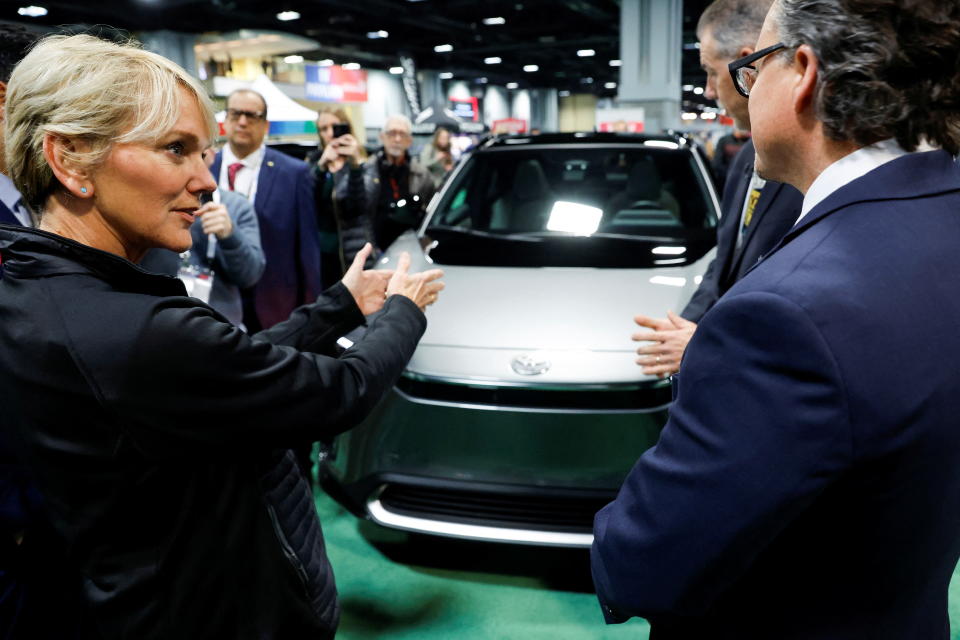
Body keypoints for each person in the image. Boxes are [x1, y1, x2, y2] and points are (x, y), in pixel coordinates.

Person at [1, 33, 444, 640]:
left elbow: (225, 364)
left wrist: (339, 305)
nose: (205, 180)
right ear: (71, 159)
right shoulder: (131, 330)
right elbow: (341, 389)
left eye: (201, 153)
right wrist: (402, 309)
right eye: (175, 150)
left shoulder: (40, 288)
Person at [592, 1, 960, 638]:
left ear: (805, 74)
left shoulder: (784, 318)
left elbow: (643, 562)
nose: (740, 87)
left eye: (754, 66)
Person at [631, 0, 802, 379]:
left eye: (710, 73)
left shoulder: (804, 169)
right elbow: (722, 268)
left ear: (748, 64)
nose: (708, 91)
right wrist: (681, 331)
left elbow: (797, 302)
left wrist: (704, 342)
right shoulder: (744, 160)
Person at [210, 89, 321, 331]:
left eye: (251, 115)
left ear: (265, 124)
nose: (242, 122)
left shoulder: (293, 173)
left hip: (274, 303)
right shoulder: (204, 168)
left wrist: (311, 314)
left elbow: (307, 249)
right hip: (215, 302)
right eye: (236, 113)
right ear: (225, 120)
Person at [140, 148, 266, 327]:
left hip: (221, 329)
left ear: (213, 154)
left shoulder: (236, 206)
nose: (193, 160)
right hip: (158, 327)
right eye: (180, 148)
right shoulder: (153, 203)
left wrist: (230, 235)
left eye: (202, 151)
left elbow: (250, 276)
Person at [341, 114, 436, 264]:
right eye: (392, 133)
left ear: (409, 141)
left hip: (411, 252)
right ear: (382, 137)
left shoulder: (422, 175)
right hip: (374, 251)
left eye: (402, 134)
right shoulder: (367, 171)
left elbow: (431, 212)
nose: (397, 139)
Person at [305, 106, 366, 289]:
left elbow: (359, 206)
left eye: (335, 126)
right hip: (319, 252)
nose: (330, 133)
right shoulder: (313, 163)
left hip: (352, 249)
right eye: (323, 129)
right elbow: (305, 201)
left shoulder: (363, 162)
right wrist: (321, 167)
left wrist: (355, 166)